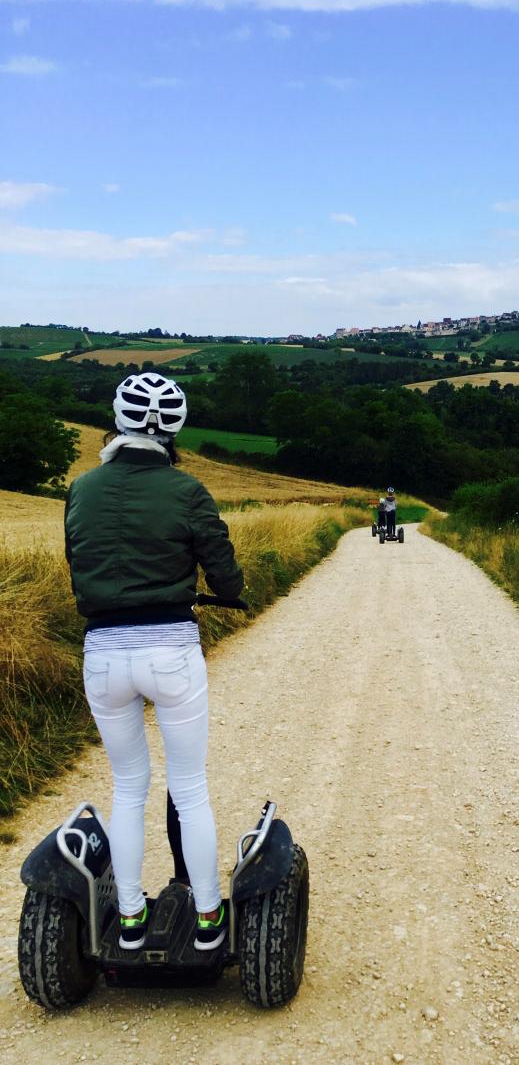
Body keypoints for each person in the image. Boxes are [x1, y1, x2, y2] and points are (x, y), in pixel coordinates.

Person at [64, 372, 244, 952]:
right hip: (169, 650)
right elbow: (223, 569)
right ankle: (211, 920)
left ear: (118, 421)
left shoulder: (82, 488)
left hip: (103, 655)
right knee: (189, 790)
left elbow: (78, 559)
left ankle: (133, 918)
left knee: (127, 787)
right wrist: (230, 589)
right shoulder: (187, 490)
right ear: (174, 430)